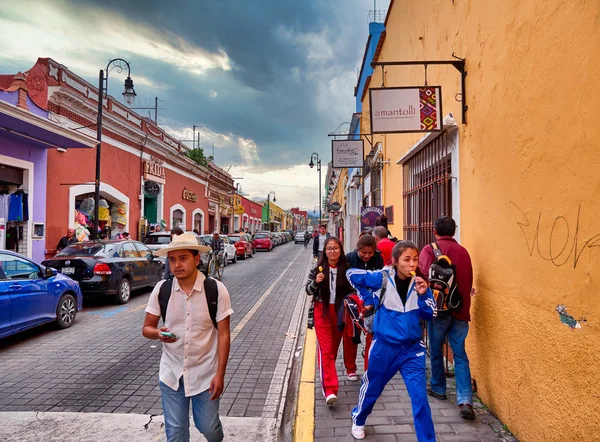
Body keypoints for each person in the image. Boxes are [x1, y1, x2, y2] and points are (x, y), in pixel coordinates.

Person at [142, 233, 233, 442]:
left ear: (197, 259)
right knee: (175, 433)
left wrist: (220, 374)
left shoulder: (216, 290)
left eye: (183, 258)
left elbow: (224, 334)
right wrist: (158, 333)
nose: (177, 265)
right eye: (172, 260)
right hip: (172, 373)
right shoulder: (162, 290)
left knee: (208, 428)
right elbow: (147, 328)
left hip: (205, 374)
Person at [347, 241, 436, 441]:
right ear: (395, 261)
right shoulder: (382, 278)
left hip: (413, 351)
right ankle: (358, 417)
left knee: (420, 399)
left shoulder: (420, 283)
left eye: (415, 259)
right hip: (384, 348)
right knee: (372, 389)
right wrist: (367, 299)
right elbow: (351, 274)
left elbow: (431, 313)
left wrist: (424, 295)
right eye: (407, 260)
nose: (412, 264)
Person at [418, 216, 475, 420]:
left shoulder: (429, 250)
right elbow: (468, 281)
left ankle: (439, 388)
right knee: (460, 354)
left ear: (435, 231)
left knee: (435, 349)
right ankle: (465, 400)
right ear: (454, 231)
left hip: (439, 310)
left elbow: (423, 275)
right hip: (461, 309)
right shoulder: (464, 252)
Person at [305, 237, 353, 407]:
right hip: (322, 312)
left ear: (340, 250)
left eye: (335, 248)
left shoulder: (347, 270)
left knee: (332, 350)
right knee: (326, 351)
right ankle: (330, 389)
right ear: (324, 252)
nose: (332, 252)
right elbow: (308, 290)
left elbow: (353, 291)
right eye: (329, 249)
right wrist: (316, 282)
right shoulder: (318, 269)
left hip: (339, 313)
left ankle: (328, 377)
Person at [343, 234, 385, 379]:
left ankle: (369, 370)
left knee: (371, 337)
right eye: (363, 253)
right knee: (351, 336)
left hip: (372, 304)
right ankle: (350, 369)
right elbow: (345, 281)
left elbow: (380, 281)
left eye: (370, 253)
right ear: (357, 249)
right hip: (353, 303)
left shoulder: (378, 259)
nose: (367, 256)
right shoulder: (349, 258)